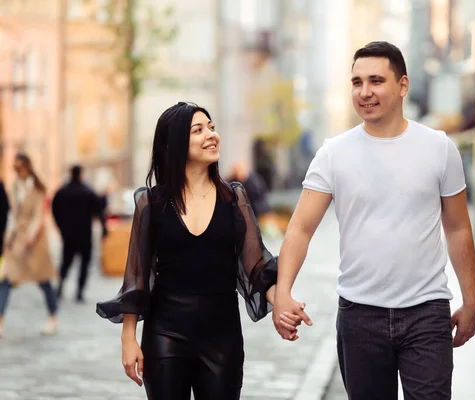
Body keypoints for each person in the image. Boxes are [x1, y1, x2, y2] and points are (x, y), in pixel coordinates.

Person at [273, 41, 475, 400]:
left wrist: (471, 298)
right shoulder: (333, 154)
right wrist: (283, 293)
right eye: (356, 82)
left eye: (375, 81)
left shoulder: (439, 148)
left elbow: (459, 227)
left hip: (427, 313)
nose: (365, 92)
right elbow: (300, 228)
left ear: (402, 86)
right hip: (360, 315)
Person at [95, 102, 302, 400]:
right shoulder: (151, 203)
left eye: (212, 127)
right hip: (165, 333)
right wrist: (129, 337)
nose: (211, 135)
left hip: (222, 336)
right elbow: (138, 275)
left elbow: (255, 267)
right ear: (175, 142)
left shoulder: (234, 198)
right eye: (199, 130)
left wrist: (281, 302)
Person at [0, 153, 59, 337]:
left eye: (21, 167)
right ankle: (0, 321)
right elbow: (12, 215)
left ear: (28, 167)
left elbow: (38, 216)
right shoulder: (14, 187)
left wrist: (32, 236)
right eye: (15, 168)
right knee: (6, 280)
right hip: (17, 240)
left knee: (44, 281)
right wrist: (8, 238)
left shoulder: (38, 189)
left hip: (35, 243)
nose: (18, 171)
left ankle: (53, 317)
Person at [52, 164, 107, 303]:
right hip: (84, 235)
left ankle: (60, 286)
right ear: (81, 174)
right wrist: (104, 228)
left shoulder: (62, 191)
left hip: (68, 234)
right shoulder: (87, 191)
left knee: (66, 262)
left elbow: (54, 209)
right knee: (84, 264)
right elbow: (99, 211)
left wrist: (60, 227)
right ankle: (79, 291)